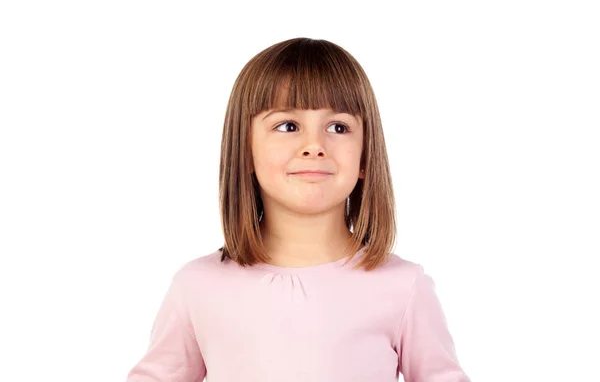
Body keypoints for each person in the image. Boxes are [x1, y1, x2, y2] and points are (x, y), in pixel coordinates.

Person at [126, 37, 471, 381]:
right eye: (287, 126)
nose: (314, 146)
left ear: (365, 155)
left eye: (338, 127)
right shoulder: (197, 287)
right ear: (245, 150)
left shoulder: (405, 288)